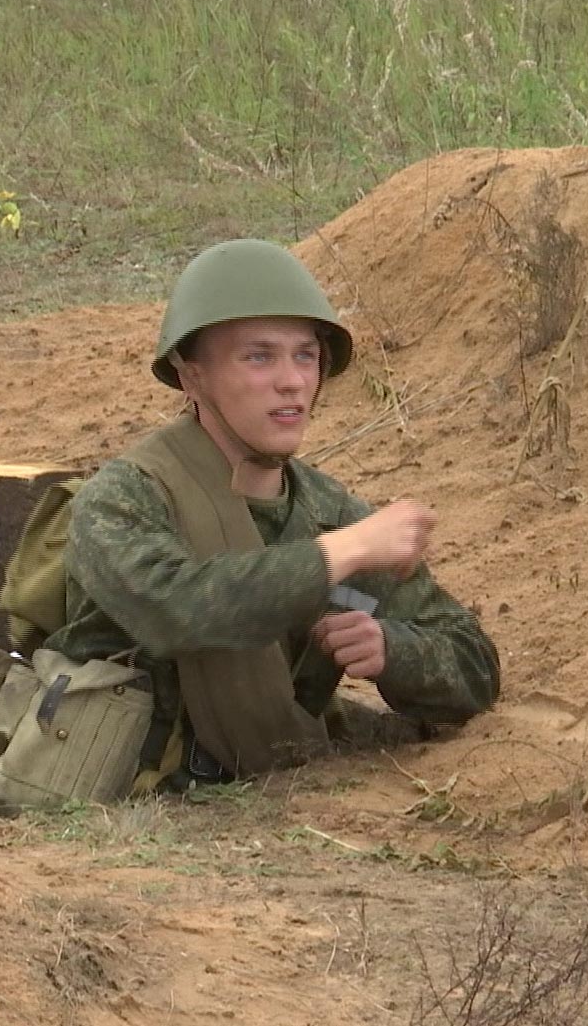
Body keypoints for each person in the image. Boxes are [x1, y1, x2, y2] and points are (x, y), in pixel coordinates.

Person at [35, 237, 500, 793]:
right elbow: (180, 610)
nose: (293, 380)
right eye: (259, 356)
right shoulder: (125, 497)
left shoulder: (332, 512)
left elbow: (473, 667)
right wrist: (344, 552)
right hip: (114, 814)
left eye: (306, 355)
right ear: (190, 374)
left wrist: (391, 648)